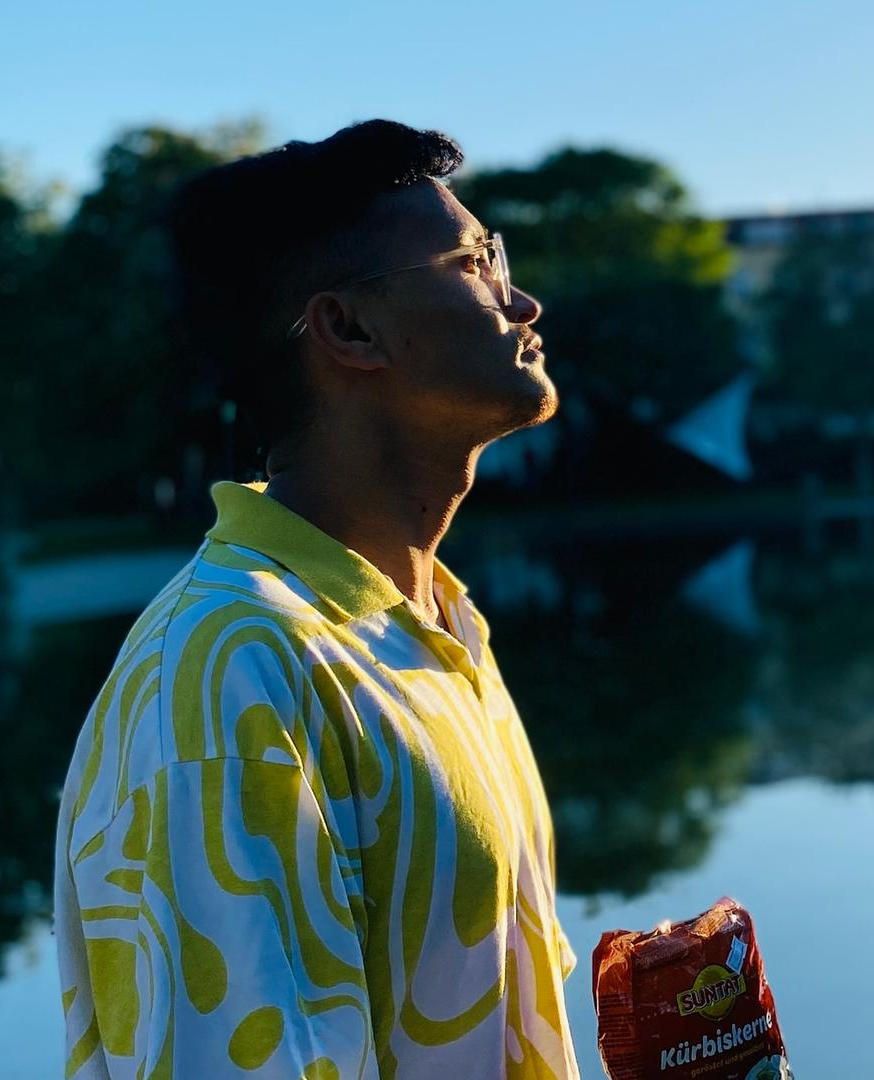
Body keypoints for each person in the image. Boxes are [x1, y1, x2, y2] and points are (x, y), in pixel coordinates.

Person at [53, 120, 578, 1079]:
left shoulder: (429, 627)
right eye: (475, 260)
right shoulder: (224, 677)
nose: (523, 299)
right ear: (346, 329)